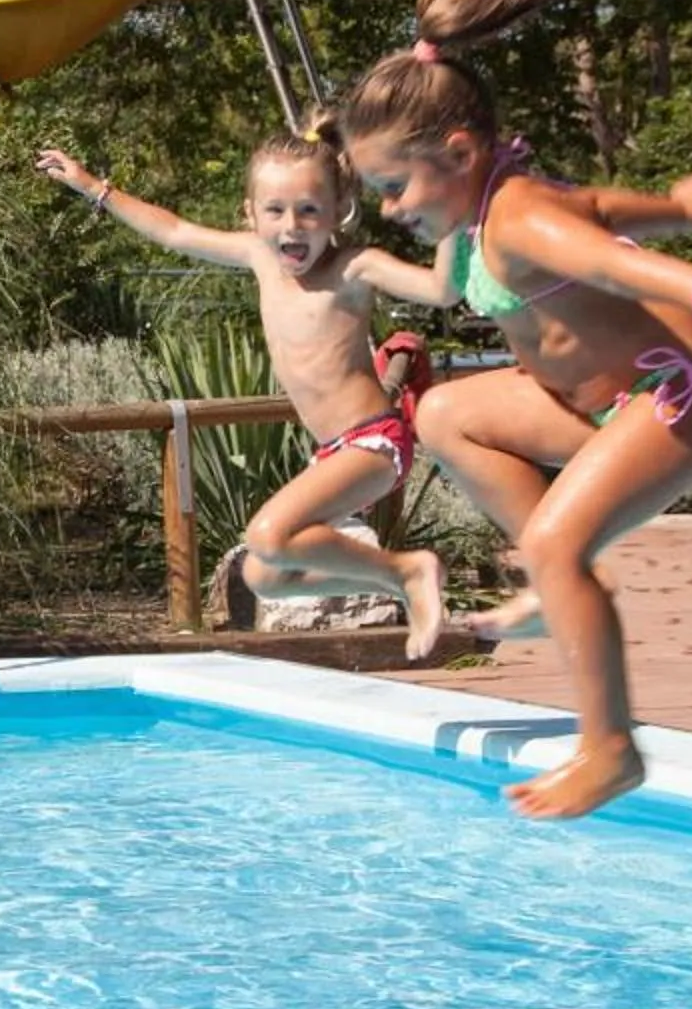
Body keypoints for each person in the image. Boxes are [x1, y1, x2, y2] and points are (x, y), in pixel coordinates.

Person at [343, 0, 692, 820]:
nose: (389, 209)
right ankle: (557, 587)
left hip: (683, 394)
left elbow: (608, 260)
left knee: (554, 543)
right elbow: (599, 208)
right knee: (442, 416)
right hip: (599, 402)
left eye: (395, 187)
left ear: (458, 154)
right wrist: (675, 203)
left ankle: (611, 747)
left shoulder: (513, 219)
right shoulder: (487, 211)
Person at [35, 122, 452, 661]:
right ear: (251, 215)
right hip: (330, 452)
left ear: (339, 210)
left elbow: (440, 291)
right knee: (265, 577)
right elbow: (175, 231)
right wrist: (93, 186)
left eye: (309, 210)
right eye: (275, 211)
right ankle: (399, 577)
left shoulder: (355, 267)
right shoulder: (259, 258)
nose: (292, 227)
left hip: (375, 441)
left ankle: (411, 571)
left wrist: (455, 222)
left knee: (266, 534)